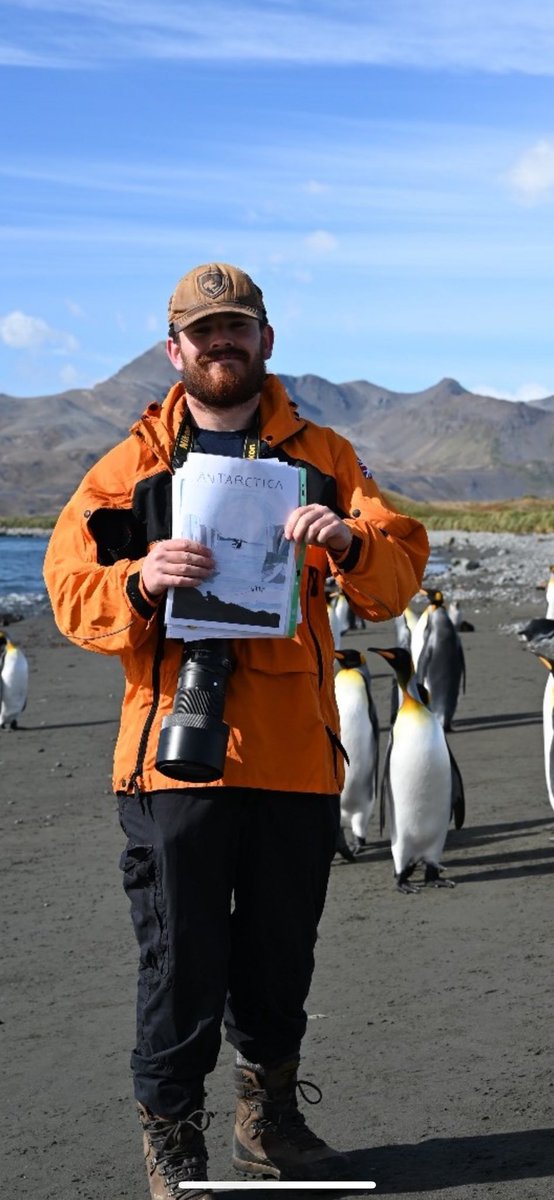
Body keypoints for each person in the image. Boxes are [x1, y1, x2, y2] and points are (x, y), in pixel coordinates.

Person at [44, 262, 429, 1198]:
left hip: (296, 756)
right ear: (174, 349)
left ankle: (271, 1121)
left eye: (237, 327)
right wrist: (140, 580)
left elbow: (397, 570)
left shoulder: (326, 457)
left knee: (278, 961)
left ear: (266, 339)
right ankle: (174, 1144)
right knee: (179, 965)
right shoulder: (130, 467)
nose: (222, 342)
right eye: (203, 330)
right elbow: (68, 590)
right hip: (175, 758)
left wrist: (348, 541)